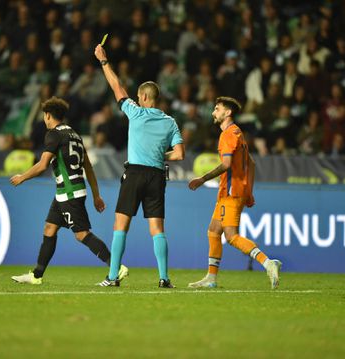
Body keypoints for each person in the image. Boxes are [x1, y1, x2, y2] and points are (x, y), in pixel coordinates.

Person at [94, 43, 185, 288]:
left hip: (134, 174)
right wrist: (159, 155)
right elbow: (179, 154)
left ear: (143, 97)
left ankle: (113, 277)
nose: (136, 99)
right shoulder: (170, 122)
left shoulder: (135, 112)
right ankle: (164, 278)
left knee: (120, 225)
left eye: (138, 96)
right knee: (157, 228)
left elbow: (116, 85)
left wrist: (104, 61)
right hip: (157, 176)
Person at [10, 96, 128, 285]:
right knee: (50, 228)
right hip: (67, 192)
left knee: (82, 234)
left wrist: (22, 177)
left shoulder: (54, 134)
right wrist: (96, 195)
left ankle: (117, 267)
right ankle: (36, 275)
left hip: (70, 192)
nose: (44, 119)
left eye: (44, 116)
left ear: (48, 115)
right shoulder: (75, 134)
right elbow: (88, 167)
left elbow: (42, 165)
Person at [187, 96, 282, 290]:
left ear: (227, 112)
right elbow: (252, 164)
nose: (214, 112)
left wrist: (202, 179)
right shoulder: (238, 133)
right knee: (214, 231)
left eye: (217, 109)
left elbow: (227, 164)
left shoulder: (228, 134)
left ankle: (267, 262)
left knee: (231, 236)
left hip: (231, 192)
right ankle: (211, 278)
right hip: (231, 192)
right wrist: (249, 192)